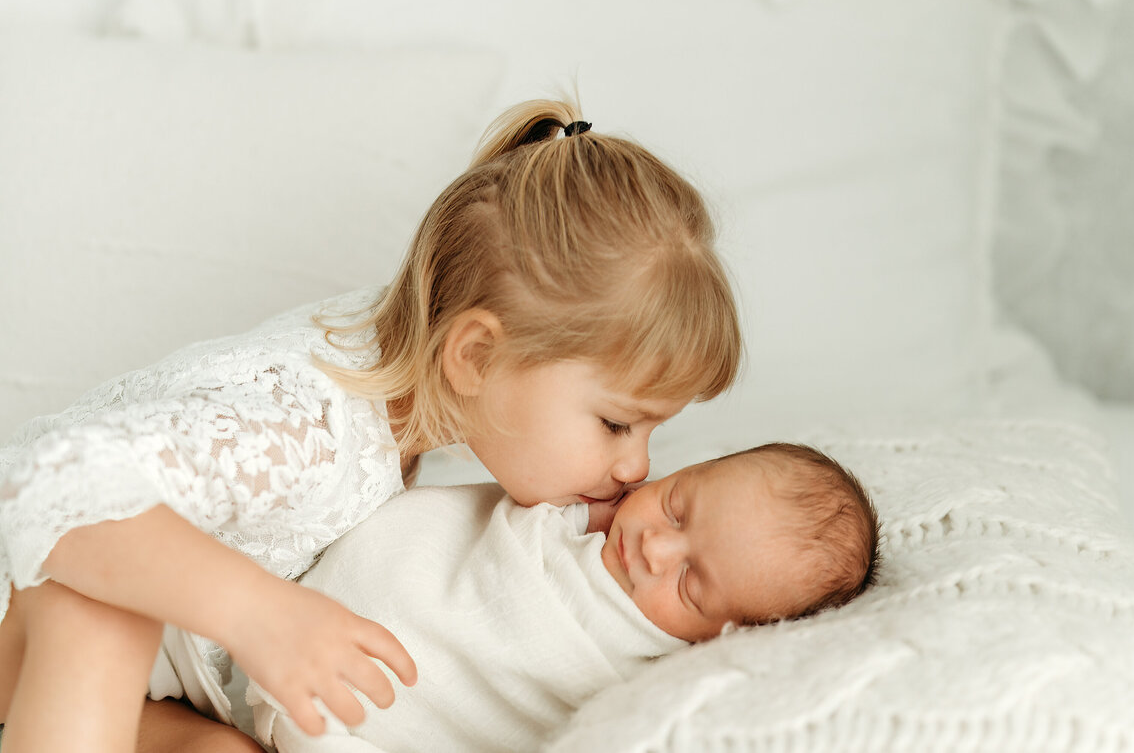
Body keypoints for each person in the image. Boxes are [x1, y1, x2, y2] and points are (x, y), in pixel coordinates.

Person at [0, 98, 742, 753]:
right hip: (32, 596)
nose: (636, 467)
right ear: (476, 356)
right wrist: (259, 613)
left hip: (141, 676)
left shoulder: (399, 372)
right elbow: (49, 496)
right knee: (105, 616)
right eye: (616, 423)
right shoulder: (307, 422)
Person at [168, 442, 880, 752]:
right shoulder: (583, 498)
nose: (654, 549)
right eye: (678, 505)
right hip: (266, 607)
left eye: (691, 584)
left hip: (337, 723)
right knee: (128, 615)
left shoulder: (648, 670)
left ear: (727, 636)